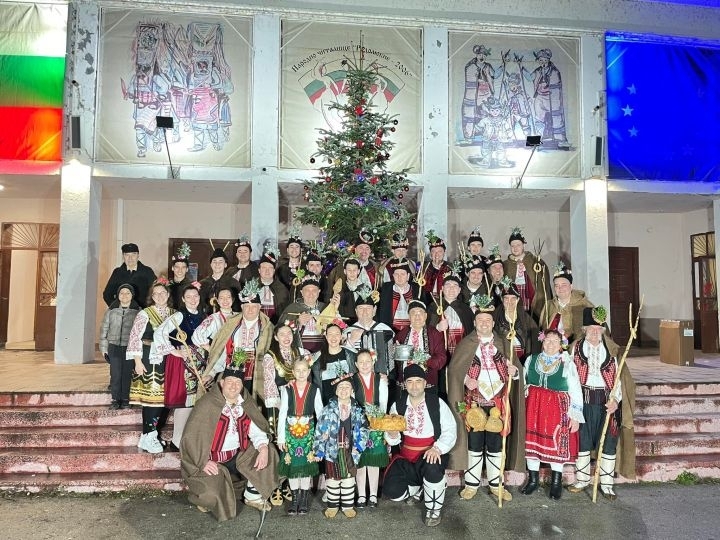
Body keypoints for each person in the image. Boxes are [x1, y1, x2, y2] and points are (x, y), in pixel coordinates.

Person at [180, 358, 280, 521]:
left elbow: (256, 430)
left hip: (237, 456)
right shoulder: (207, 404)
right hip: (212, 461)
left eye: (238, 383)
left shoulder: (245, 403)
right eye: (230, 382)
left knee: (268, 450)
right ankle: (207, 496)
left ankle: (252, 496)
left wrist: (262, 448)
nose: (233, 386)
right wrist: (202, 461)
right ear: (221, 383)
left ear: (242, 386)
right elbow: (190, 439)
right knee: (210, 495)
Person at [448, 300, 524, 503]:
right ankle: (471, 485)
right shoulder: (466, 344)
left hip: (497, 403)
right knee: (474, 445)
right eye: (480, 320)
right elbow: (454, 371)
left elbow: (517, 369)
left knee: (496, 446)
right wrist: (466, 379)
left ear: (492, 323)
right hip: (475, 402)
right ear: (475, 323)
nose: (484, 323)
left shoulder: (504, 343)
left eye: (487, 320)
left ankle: (496, 485)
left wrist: (514, 371)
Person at [568, 306, 636, 500]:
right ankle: (582, 480)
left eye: (598, 329)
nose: (595, 332)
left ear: (603, 331)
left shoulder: (612, 351)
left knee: (608, 443)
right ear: (584, 330)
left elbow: (619, 378)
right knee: (583, 441)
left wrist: (616, 400)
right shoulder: (575, 348)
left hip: (607, 403)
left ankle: (606, 485)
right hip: (583, 401)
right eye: (591, 329)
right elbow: (570, 377)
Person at [383, 364, 457, 527]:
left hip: (430, 453)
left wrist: (437, 448)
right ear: (405, 384)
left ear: (425, 383)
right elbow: (393, 439)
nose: (414, 386)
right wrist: (393, 434)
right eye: (410, 381)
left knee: (432, 467)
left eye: (418, 381)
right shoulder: (398, 405)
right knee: (392, 492)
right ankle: (421, 488)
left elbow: (450, 429)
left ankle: (434, 509)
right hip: (407, 457)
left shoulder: (437, 403)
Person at [521, 328, 584, 500]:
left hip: (558, 408)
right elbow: (522, 381)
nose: (550, 344)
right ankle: (533, 480)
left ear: (561, 345)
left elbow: (575, 389)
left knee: (556, 445)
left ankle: (556, 483)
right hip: (533, 406)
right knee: (531, 443)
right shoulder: (531, 359)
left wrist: (575, 416)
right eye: (548, 340)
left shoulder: (567, 363)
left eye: (555, 341)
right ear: (542, 341)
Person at [154, 283, 208, 451]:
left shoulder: (205, 316)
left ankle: (187, 439)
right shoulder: (178, 316)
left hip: (200, 362)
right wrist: (174, 351)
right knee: (184, 401)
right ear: (183, 299)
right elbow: (160, 333)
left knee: (195, 402)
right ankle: (176, 441)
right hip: (182, 362)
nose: (193, 299)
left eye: (195, 296)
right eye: (189, 297)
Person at [126, 277, 176, 453]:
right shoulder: (145, 314)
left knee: (164, 400)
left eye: (163, 293)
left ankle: (148, 435)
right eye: (156, 294)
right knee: (151, 400)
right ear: (152, 297)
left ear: (168, 295)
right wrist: (137, 361)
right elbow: (135, 337)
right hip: (149, 358)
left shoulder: (174, 314)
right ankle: (149, 434)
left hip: (168, 359)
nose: (160, 296)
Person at [203, 278, 274, 399]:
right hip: (231, 374)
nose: (250, 310)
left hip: (256, 375)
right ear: (242, 306)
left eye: (254, 306)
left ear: (259, 307)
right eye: (247, 306)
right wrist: (212, 372)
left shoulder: (268, 327)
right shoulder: (231, 324)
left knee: (251, 405)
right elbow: (222, 351)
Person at [313, 370, 370, 518]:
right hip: (332, 451)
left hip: (350, 451)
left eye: (347, 387)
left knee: (349, 479)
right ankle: (332, 506)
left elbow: (364, 429)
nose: (344, 390)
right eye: (340, 387)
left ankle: (347, 506)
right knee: (332, 479)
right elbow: (320, 430)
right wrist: (319, 449)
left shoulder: (358, 410)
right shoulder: (328, 410)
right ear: (336, 391)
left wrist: (359, 446)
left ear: (352, 390)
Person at [277, 356, 324, 515]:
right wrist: (281, 437)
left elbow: (320, 414)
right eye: (298, 370)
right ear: (293, 372)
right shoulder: (287, 389)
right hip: (290, 434)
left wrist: (320, 438)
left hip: (308, 435)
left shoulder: (315, 389)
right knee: (293, 466)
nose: (301, 373)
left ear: (309, 371)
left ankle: (304, 498)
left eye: (304, 370)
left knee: (305, 466)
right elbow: (282, 414)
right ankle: (295, 499)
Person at [352, 349, 389, 509]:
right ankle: (361, 494)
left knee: (373, 460)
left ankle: (373, 494)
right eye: (361, 362)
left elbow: (383, 403)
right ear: (356, 364)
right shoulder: (352, 380)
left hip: (376, 425)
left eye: (368, 361)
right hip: (358, 426)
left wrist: (378, 422)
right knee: (360, 460)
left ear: (373, 362)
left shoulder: (380, 380)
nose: (365, 365)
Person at [393, 300, 447, 400]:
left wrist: (424, 360)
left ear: (425, 316)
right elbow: (394, 361)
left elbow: (441, 359)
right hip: (405, 384)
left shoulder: (434, 334)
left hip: (428, 383)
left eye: (420, 313)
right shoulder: (401, 334)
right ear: (409, 317)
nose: (417, 316)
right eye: (413, 313)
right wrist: (395, 351)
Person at [99, 283, 140, 409]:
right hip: (114, 346)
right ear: (118, 295)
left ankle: (126, 399)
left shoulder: (138, 311)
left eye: (128, 293)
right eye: (122, 293)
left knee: (127, 374)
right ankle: (115, 399)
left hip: (130, 347)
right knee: (115, 374)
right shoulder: (111, 311)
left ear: (132, 295)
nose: (124, 295)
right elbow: (104, 329)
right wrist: (103, 348)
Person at [278, 276, 338, 353]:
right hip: (298, 351)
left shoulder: (326, 308)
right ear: (301, 292)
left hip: (323, 351)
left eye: (314, 290)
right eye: (307, 290)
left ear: (319, 292)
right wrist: (298, 322)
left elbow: (336, 328)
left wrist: (334, 309)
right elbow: (280, 330)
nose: (311, 294)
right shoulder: (292, 308)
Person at [344, 286, 394, 377]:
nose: (365, 312)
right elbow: (344, 357)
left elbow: (392, 356)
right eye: (361, 308)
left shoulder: (386, 330)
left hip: (382, 377)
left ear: (374, 310)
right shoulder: (348, 332)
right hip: (357, 377)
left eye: (368, 308)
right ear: (356, 311)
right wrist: (350, 342)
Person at [505, 227, 552, 322]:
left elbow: (544, 286)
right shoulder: (505, 265)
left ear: (523, 245)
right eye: (512, 245)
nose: (515, 248)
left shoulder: (536, 262)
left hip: (532, 301)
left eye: (518, 245)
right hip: (514, 301)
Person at [540, 262, 593, 342]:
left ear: (571, 286)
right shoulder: (548, 305)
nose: (560, 288)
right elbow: (542, 329)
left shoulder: (585, 305)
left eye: (564, 285)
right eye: (556, 285)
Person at [493, 277, 540, 366]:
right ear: (502, 299)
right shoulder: (495, 317)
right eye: (506, 298)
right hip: (501, 359)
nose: (509, 302)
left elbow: (535, 341)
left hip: (523, 359)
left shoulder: (526, 318)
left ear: (518, 300)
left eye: (513, 298)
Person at [312, 322, 357, 404]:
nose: (333, 337)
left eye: (337, 334)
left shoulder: (351, 355)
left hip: (348, 403)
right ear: (326, 336)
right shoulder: (317, 359)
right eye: (330, 334)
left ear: (341, 336)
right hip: (327, 404)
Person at [103, 243, 156, 308]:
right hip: (122, 312)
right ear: (123, 256)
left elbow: (155, 292)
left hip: (142, 311)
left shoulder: (147, 271)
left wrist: (147, 310)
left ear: (138, 255)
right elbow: (107, 294)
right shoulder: (117, 272)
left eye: (133, 254)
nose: (130, 258)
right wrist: (116, 308)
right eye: (127, 255)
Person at [377, 258, 423, 333]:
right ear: (393, 276)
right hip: (390, 330)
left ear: (408, 276)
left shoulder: (417, 289)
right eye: (396, 274)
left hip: (412, 329)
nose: (399, 277)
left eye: (402, 274)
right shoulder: (385, 289)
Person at [191, 285, 238, 352]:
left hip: (238, 354)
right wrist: (211, 350)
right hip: (221, 354)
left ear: (232, 299)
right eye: (221, 298)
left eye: (228, 297)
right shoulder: (213, 318)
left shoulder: (239, 316)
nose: (225, 300)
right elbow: (197, 334)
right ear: (217, 301)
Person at [200, 248, 240, 315]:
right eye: (214, 261)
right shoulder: (202, 283)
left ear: (225, 264)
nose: (217, 264)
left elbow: (237, 305)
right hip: (206, 317)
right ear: (211, 264)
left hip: (228, 317)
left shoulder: (233, 283)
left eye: (220, 261)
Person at [257, 246, 290, 325]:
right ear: (259, 270)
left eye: (270, 268)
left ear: (274, 270)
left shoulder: (282, 289)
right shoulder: (251, 287)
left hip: (276, 325)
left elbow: (286, 312)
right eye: (264, 267)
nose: (267, 271)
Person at [421, 231, 451, 300]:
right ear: (430, 254)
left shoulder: (451, 268)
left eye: (440, 251)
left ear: (444, 252)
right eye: (434, 251)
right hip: (427, 301)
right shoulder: (424, 268)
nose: (437, 254)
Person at [168, 242, 193, 309]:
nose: (180, 270)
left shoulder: (192, 286)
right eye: (177, 267)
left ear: (187, 269)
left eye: (183, 267)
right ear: (172, 268)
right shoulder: (167, 284)